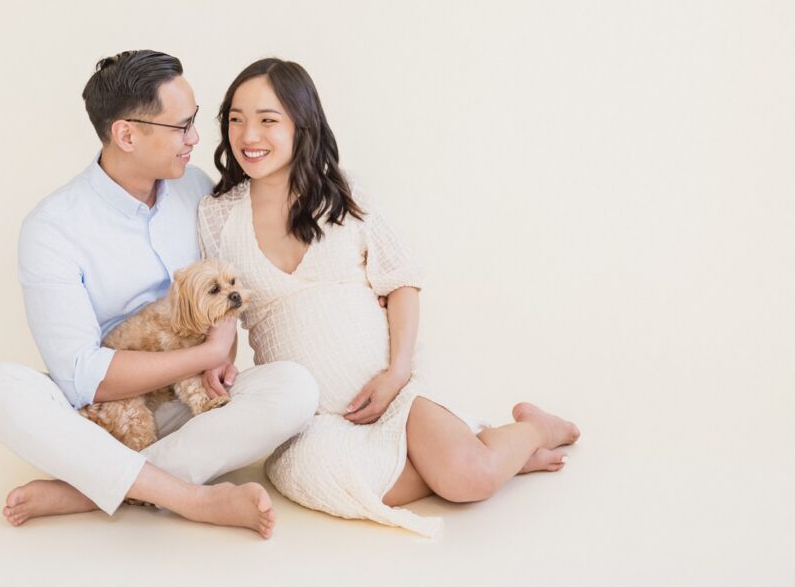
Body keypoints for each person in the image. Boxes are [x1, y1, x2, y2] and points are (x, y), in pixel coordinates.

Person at [197, 58, 581, 536]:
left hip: (395, 384)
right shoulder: (218, 216)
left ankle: (531, 432)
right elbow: (223, 310)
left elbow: (401, 282)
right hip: (311, 417)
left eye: (267, 120)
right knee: (320, 482)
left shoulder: (344, 194)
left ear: (302, 123)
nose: (248, 135)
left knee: (469, 479)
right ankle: (493, 450)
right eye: (236, 119)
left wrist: (397, 372)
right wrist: (220, 358)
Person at [0, 51, 319, 540]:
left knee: (295, 388)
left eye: (194, 122)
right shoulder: (52, 228)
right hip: (101, 415)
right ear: (127, 134)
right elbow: (80, 375)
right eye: (181, 126)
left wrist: (218, 352)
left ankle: (92, 489)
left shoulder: (195, 188)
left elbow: (225, 283)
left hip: (187, 401)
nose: (196, 139)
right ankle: (188, 497)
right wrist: (206, 352)